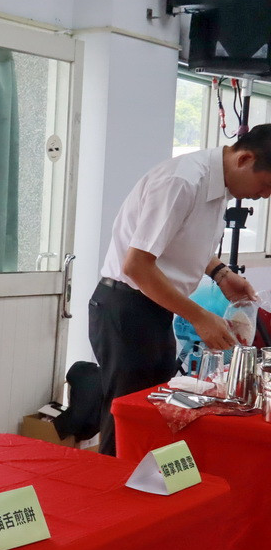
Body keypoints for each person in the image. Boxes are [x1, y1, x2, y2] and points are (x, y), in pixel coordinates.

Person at [89, 125, 271, 455]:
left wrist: (220, 273)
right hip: (126, 307)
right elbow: (137, 265)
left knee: (154, 412)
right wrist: (200, 317)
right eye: (266, 185)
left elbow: (178, 242)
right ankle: (112, 495)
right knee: (127, 417)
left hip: (153, 308)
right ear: (245, 158)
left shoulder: (219, 187)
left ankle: (145, 495)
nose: (265, 195)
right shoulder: (183, 181)